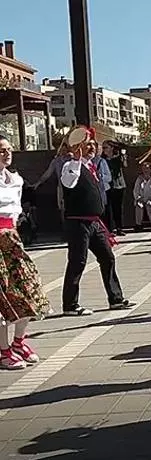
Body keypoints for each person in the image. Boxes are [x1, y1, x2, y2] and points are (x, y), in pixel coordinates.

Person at [59, 129, 134, 316]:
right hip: (78, 223)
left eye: (93, 144)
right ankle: (70, 304)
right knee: (78, 261)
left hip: (95, 223)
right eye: (87, 144)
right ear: (79, 146)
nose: (92, 147)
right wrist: (76, 160)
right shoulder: (70, 165)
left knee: (107, 257)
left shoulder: (93, 167)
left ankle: (115, 298)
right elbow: (68, 183)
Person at [0, 135, 50, 370]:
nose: (6, 153)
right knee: (2, 296)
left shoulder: (16, 180)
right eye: (1, 150)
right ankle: (3, 350)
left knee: (28, 288)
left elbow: (16, 211)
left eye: (9, 149)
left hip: (12, 238)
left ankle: (19, 341)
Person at [105, 142, 127, 236]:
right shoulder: (103, 160)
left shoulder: (118, 157)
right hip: (108, 186)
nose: (104, 149)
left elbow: (124, 165)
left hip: (119, 185)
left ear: (111, 148)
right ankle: (109, 229)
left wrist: (123, 155)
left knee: (118, 208)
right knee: (108, 208)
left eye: (106, 147)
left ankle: (119, 227)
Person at [133, 163, 151, 230]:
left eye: (147, 168)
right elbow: (136, 190)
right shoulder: (139, 179)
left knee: (150, 205)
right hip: (141, 198)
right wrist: (138, 198)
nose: (145, 170)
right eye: (144, 168)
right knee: (139, 205)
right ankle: (138, 225)